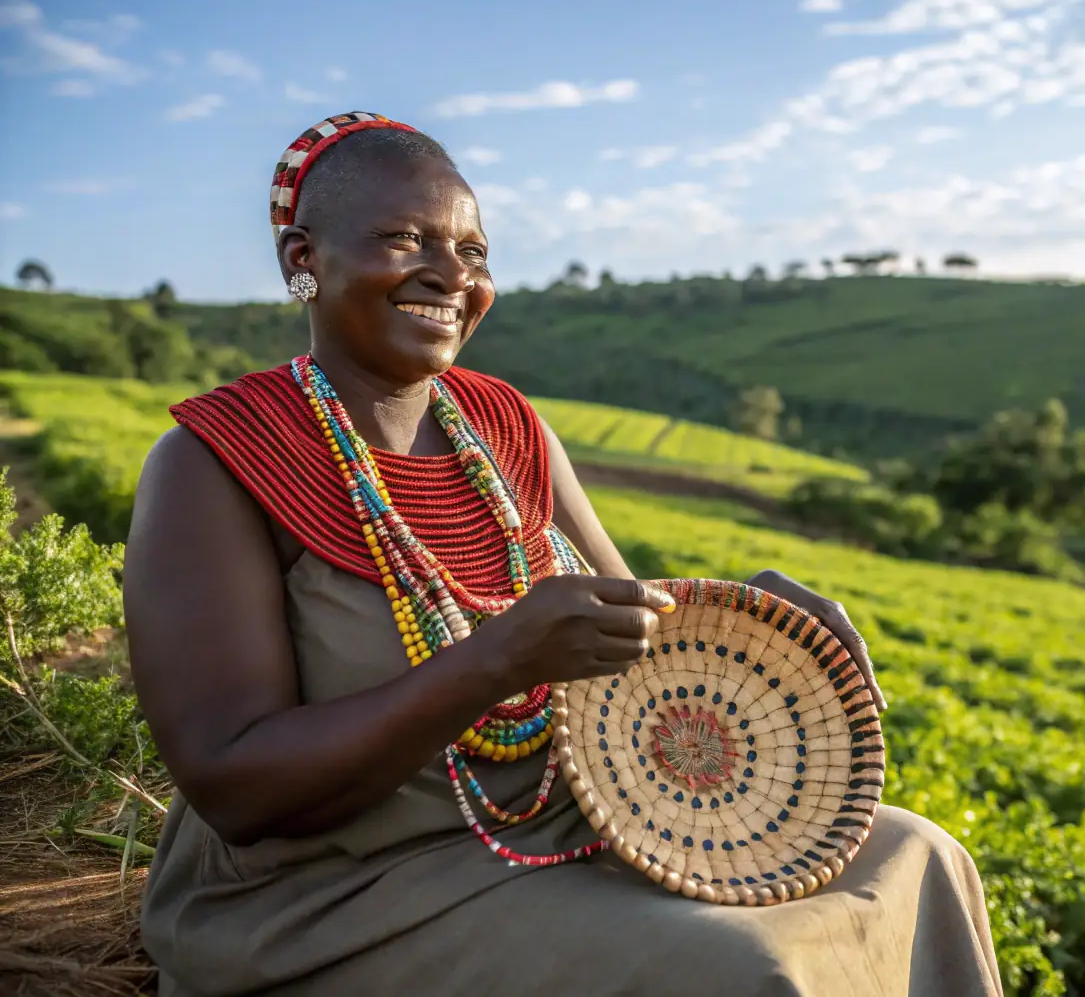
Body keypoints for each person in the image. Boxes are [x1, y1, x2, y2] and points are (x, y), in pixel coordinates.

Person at [125, 112, 1003, 997]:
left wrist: (749, 623)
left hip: (560, 827)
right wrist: (493, 662)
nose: (449, 274)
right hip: (337, 890)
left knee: (920, 854)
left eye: (472, 251)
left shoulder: (507, 426)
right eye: (403, 239)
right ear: (301, 261)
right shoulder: (218, 461)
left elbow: (628, 630)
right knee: (740, 971)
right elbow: (235, 786)